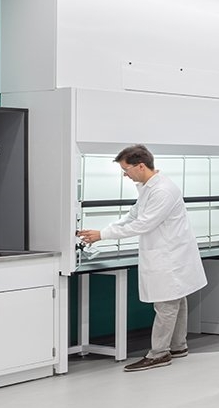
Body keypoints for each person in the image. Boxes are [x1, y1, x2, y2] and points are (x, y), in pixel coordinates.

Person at [76, 145, 206, 372]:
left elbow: (143, 224)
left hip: (170, 256)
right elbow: (134, 215)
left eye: (126, 169)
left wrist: (103, 235)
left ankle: (159, 353)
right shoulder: (148, 187)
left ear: (141, 166)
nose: (125, 174)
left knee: (167, 303)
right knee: (176, 298)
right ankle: (178, 346)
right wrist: (100, 231)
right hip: (168, 254)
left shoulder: (162, 190)